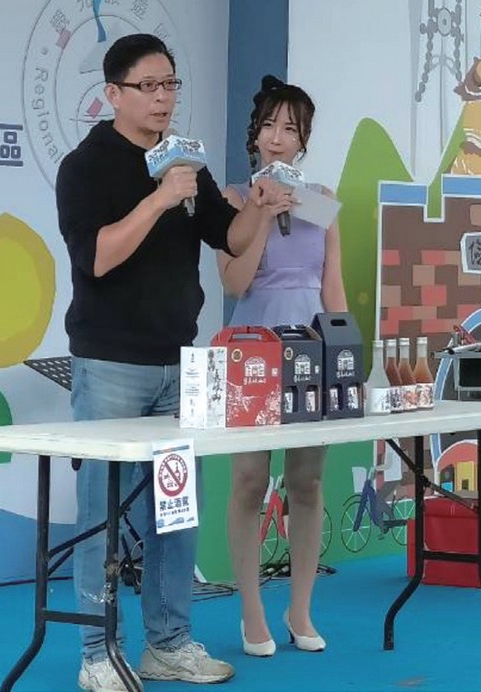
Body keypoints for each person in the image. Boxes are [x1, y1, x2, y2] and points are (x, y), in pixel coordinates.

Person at [56, 36, 291, 692]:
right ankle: (97, 652)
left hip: (181, 365)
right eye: (149, 86)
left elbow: (229, 237)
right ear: (114, 94)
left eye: (171, 85)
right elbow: (97, 258)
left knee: (176, 512)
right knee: (100, 515)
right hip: (110, 365)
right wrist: (159, 198)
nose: (163, 99)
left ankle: (169, 644)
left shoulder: (185, 159)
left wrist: (259, 209)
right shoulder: (86, 166)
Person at [216, 75, 348, 657]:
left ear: (303, 141)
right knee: (249, 479)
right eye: (268, 125)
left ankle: (301, 609)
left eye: (290, 129)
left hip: (312, 349)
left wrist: (344, 357)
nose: (277, 137)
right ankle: (252, 611)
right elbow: (234, 282)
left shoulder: (321, 200)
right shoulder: (231, 199)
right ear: (255, 135)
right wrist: (264, 212)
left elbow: (333, 287)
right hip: (252, 348)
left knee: (308, 481)